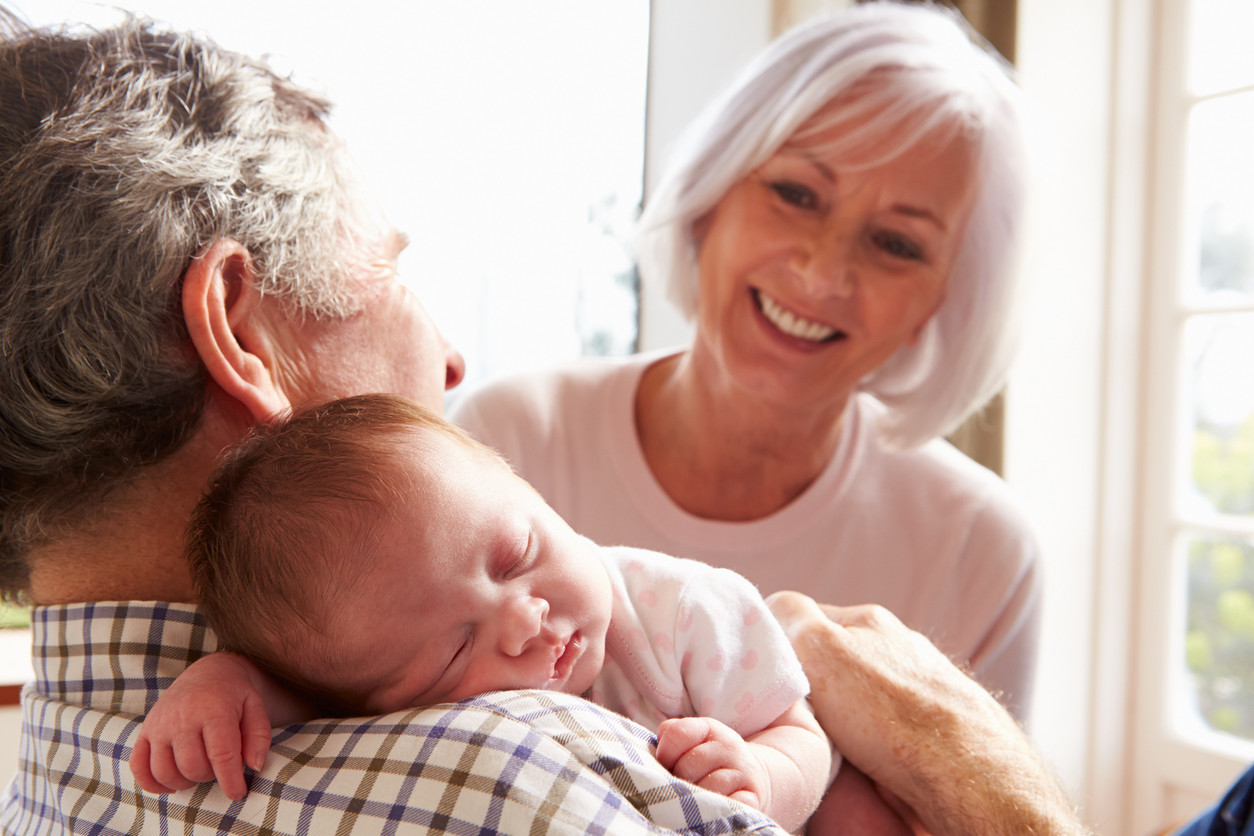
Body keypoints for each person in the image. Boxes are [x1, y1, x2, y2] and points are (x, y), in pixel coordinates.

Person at [0, 10, 793, 834]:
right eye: (392, 275)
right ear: (241, 335)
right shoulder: (530, 776)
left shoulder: (53, 769)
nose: (452, 361)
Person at [447, 0, 1044, 819]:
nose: (823, 270)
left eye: (897, 243)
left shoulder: (981, 552)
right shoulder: (502, 439)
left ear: (944, 303)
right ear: (711, 197)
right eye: (796, 192)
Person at [130, 393, 840, 834]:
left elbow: (800, 730)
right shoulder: (373, 696)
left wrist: (766, 775)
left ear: (525, 487)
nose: (524, 619)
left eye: (516, 555)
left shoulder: (685, 610)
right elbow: (321, 707)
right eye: (455, 649)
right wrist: (233, 684)